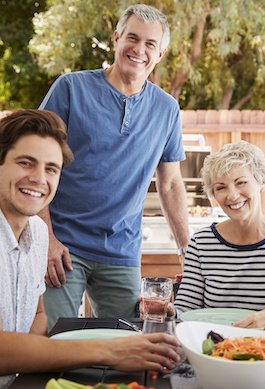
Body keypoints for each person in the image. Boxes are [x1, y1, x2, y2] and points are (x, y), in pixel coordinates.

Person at [0, 110, 180, 389]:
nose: (39, 178)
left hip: (9, 387)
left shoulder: (38, 233)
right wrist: (112, 351)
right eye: (26, 163)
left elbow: (39, 314)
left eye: (51, 169)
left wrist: (30, 357)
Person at [38, 3, 189, 328]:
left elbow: (171, 183)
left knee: (124, 343)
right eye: (132, 38)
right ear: (117, 38)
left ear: (160, 55)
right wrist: (46, 238)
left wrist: (186, 250)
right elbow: (38, 166)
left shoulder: (167, 109)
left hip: (121, 251)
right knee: (54, 341)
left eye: (150, 44)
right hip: (63, 246)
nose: (139, 49)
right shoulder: (70, 89)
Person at [173, 141, 265, 329]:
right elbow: (186, 309)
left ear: (261, 181)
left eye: (241, 183)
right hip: (212, 346)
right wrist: (169, 312)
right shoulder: (201, 243)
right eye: (221, 187)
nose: (233, 196)